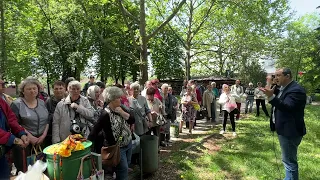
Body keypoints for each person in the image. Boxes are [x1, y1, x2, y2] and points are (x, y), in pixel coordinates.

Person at [261, 68, 306, 180]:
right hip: (284, 130)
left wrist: (271, 97)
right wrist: (269, 84)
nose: (275, 78)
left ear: (288, 76)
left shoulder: (296, 90)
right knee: (288, 160)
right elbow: (271, 91)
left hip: (290, 132)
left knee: (289, 162)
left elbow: (287, 107)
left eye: (278, 75)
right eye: (274, 76)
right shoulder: (284, 88)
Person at [88, 86, 134, 180]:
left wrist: (122, 113)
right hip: (117, 147)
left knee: (127, 164)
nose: (120, 99)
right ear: (112, 99)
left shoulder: (121, 107)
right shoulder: (105, 114)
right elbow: (95, 130)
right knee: (123, 170)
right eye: (118, 97)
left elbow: (132, 120)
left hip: (128, 143)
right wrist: (87, 143)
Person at [10, 77, 49, 172]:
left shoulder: (42, 102)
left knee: (41, 169)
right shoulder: (16, 104)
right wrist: (29, 136)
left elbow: (47, 120)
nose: (32, 91)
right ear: (23, 91)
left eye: (34, 88)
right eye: (29, 89)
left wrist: (43, 136)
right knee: (26, 171)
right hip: (25, 143)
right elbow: (15, 124)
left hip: (41, 141)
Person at [0, 98, 29, 179]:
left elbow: (10, 118)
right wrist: (13, 139)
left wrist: (21, 133)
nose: (2, 86)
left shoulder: (1, 101)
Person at [45, 80, 66, 145]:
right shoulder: (49, 102)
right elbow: (46, 117)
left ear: (65, 89)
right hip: (53, 132)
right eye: (56, 89)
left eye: (60, 88)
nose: (58, 90)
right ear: (53, 90)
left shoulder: (69, 100)